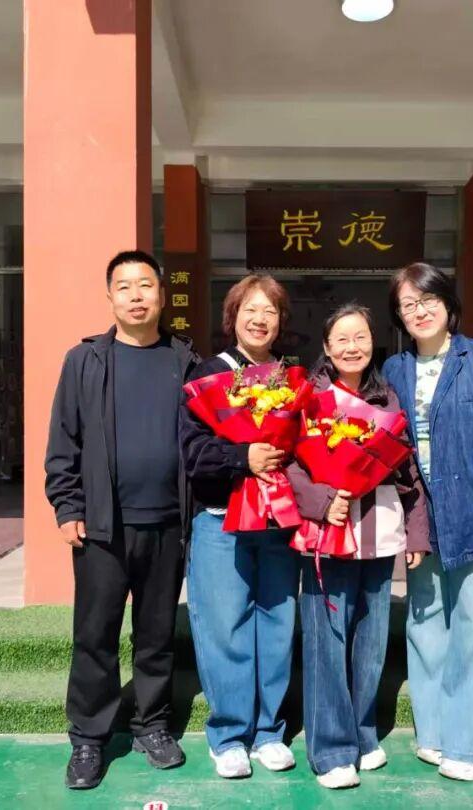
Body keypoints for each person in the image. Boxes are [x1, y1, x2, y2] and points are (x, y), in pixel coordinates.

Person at [45, 250, 197, 790]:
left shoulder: (185, 361)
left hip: (168, 525)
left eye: (145, 285)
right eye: (125, 286)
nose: (136, 295)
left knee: (156, 635)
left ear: (162, 294)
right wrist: (67, 506)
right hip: (102, 528)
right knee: (95, 634)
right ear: (109, 296)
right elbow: (64, 439)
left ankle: (152, 725)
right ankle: (89, 738)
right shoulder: (85, 360)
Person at [382, 262, 473, 783]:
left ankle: (472, 743)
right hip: (423, 518)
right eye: (407, 304)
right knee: (426, 627)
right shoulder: (395, 368)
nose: (419, 311)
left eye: (427, 300)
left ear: (447, 304)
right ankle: (435, 732)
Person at [286, 303, 431, 789]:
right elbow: (289, 463)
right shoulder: (309, 397)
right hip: (328, 534)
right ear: (327, 347)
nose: (353, 347)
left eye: (361, 337)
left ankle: (364, 733)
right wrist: (323, 500)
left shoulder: (387, 396)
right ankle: (330, 749)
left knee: (370, 641)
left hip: (380, 532)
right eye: (342, 339)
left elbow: (407, 469)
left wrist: (417, 531)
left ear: (374, 343)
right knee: (326, 641)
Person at [179, 273, 300, 779]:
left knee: (277, 623)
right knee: (224, 626)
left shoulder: (292, 378)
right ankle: (229, 735)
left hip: (278, 523)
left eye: (269, 310)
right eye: (250, 308)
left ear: (280, 321)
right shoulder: (208, 375)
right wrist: (241, 456)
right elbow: (190, 450)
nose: (259, 319)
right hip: (220, 520)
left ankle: (269, 731)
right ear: (233, 317)